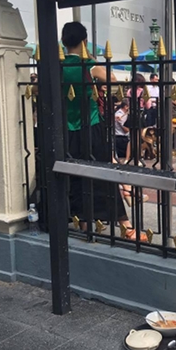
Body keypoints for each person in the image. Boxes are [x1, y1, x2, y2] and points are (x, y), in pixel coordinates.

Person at [61, 22, 133, 237]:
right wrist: (91, 60)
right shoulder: (88, 65)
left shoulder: (58, 65)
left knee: (75, 176)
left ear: (64, 42)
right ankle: (125, 225)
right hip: (91, 127)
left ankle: (83, 222)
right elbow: (111, 79)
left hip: (67, 129)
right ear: (84, 41)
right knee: (102, 173)